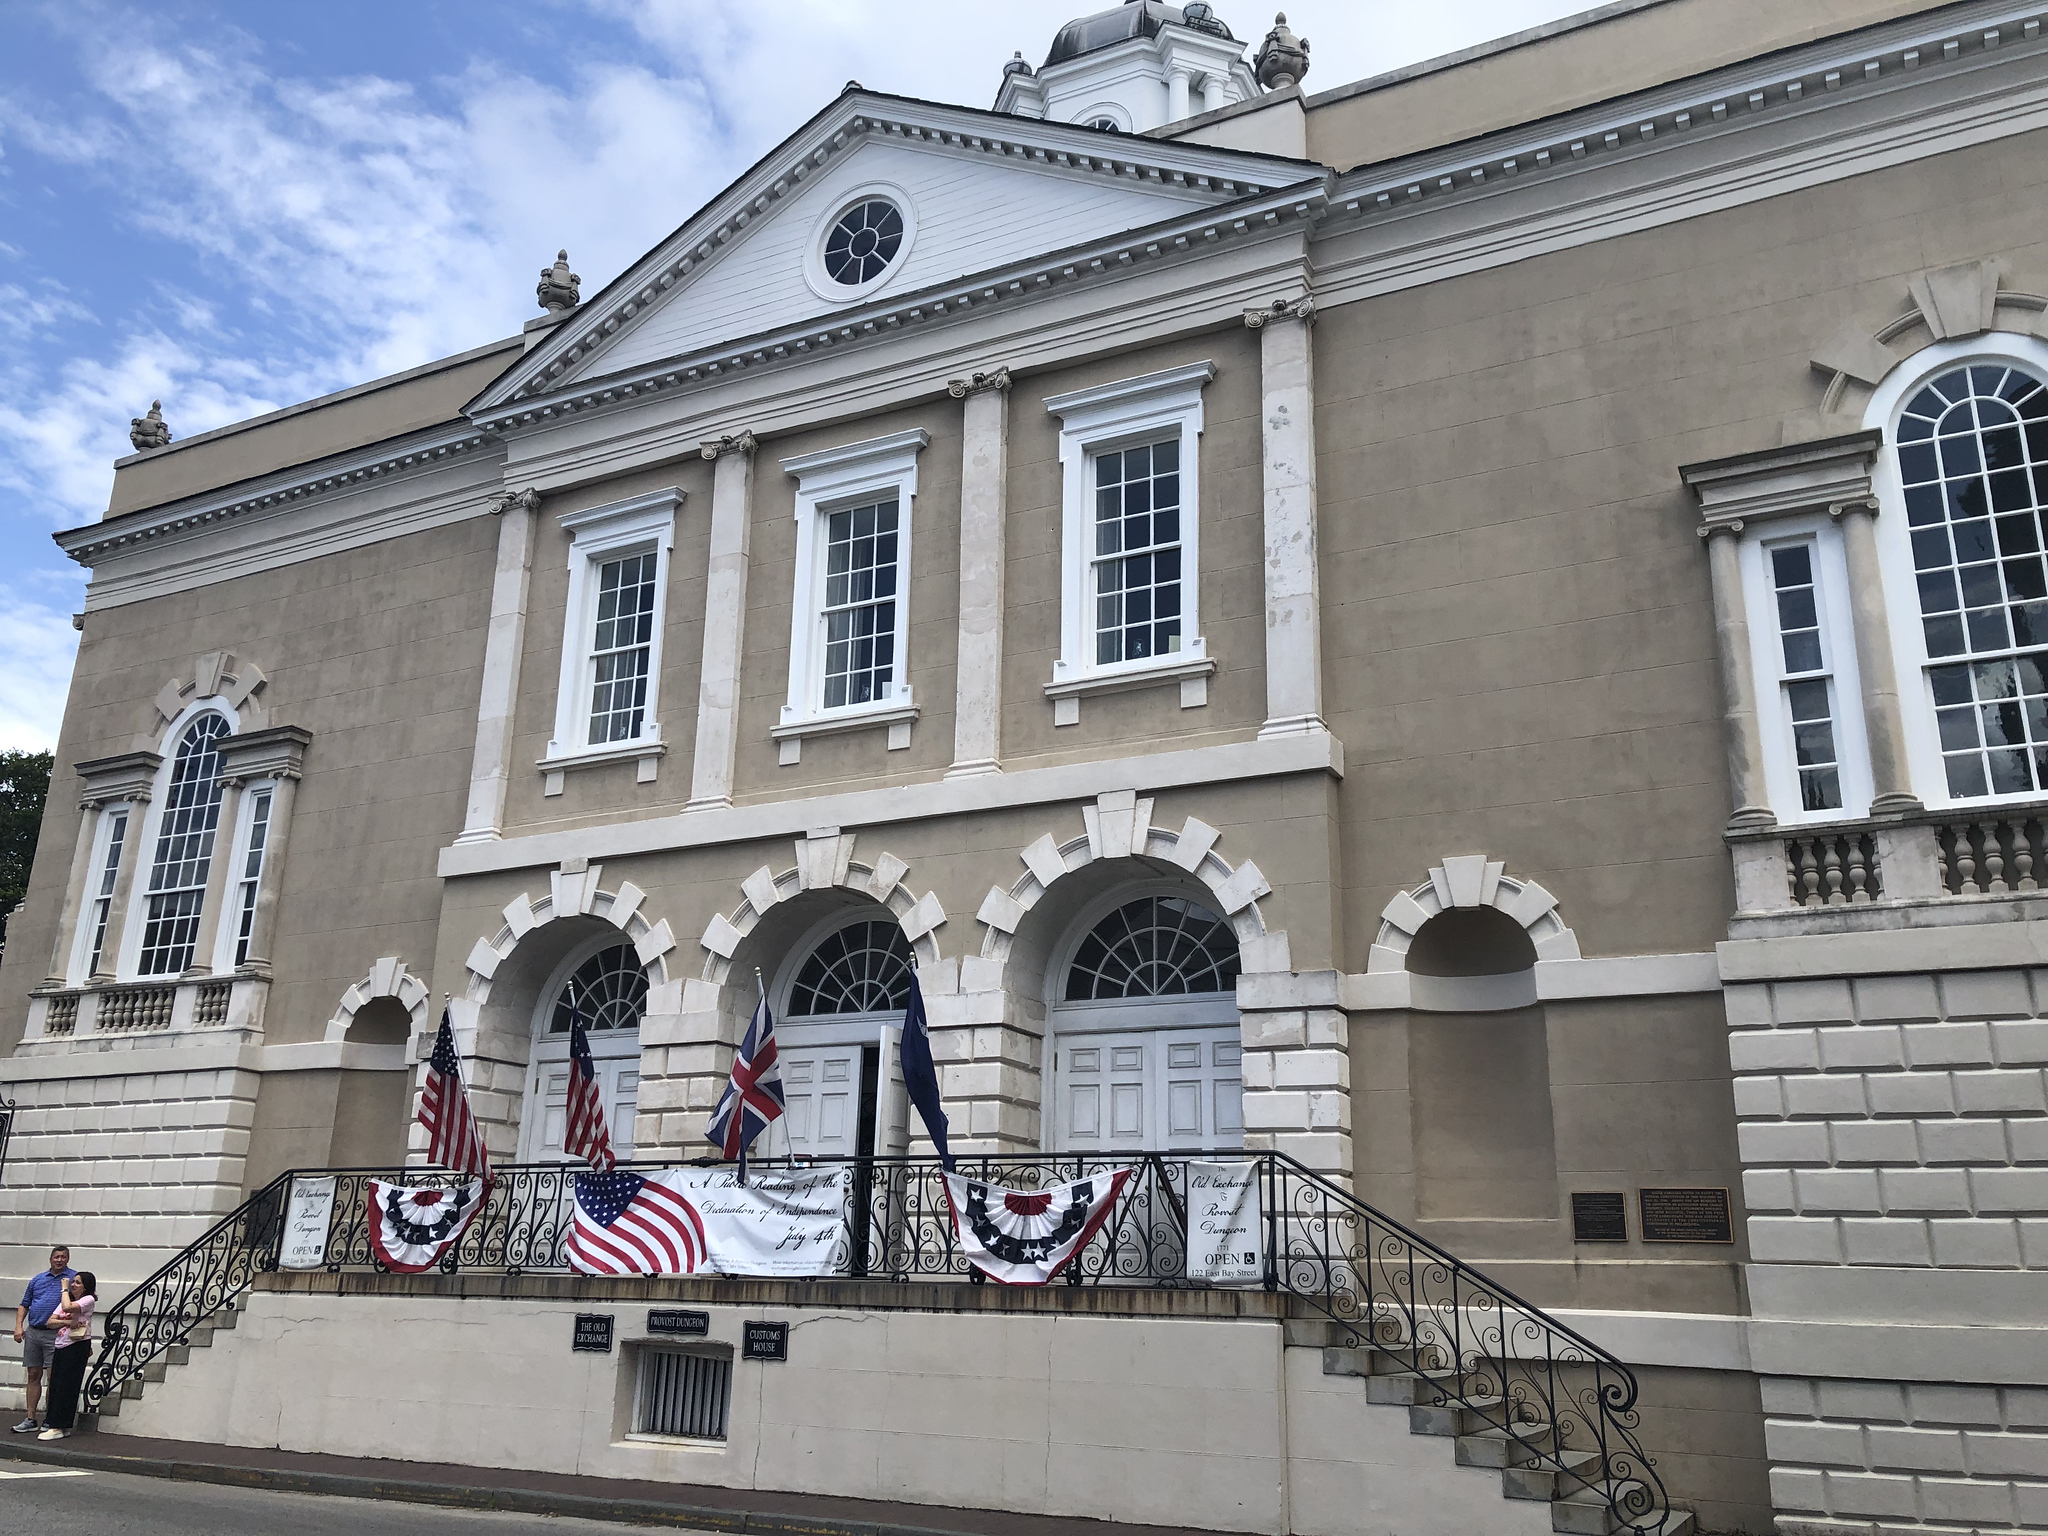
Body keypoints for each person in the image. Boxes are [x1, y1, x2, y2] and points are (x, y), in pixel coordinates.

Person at [12, 1246, 77, 1434]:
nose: (59, 1260)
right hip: (34, 1331)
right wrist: (19, 1326)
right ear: (50, 1259)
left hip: (56, 1333)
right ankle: (30, 1418)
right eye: (56, 1257)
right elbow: (24, 1304)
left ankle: (51, 1419)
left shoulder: (72, 1279)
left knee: (53, 1377)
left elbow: (79, 1305)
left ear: (68, 1259)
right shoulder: (38, 1279)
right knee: (33, 1375)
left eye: (63, 1257)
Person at [38, 1273, 96, 1440]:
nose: (73, 1285)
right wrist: (66, 1322)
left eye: (78, 1283)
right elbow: (50, 1322)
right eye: (73, 1282)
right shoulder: (67, 1299)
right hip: (61, 1344)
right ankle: (55, 1423)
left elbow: (68, 1308)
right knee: (56, 1384)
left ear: (86, 1286)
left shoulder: (88, 1300)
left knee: (67, 1386)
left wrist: (63, 1289)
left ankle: (59, 1425)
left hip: (76, 1345)